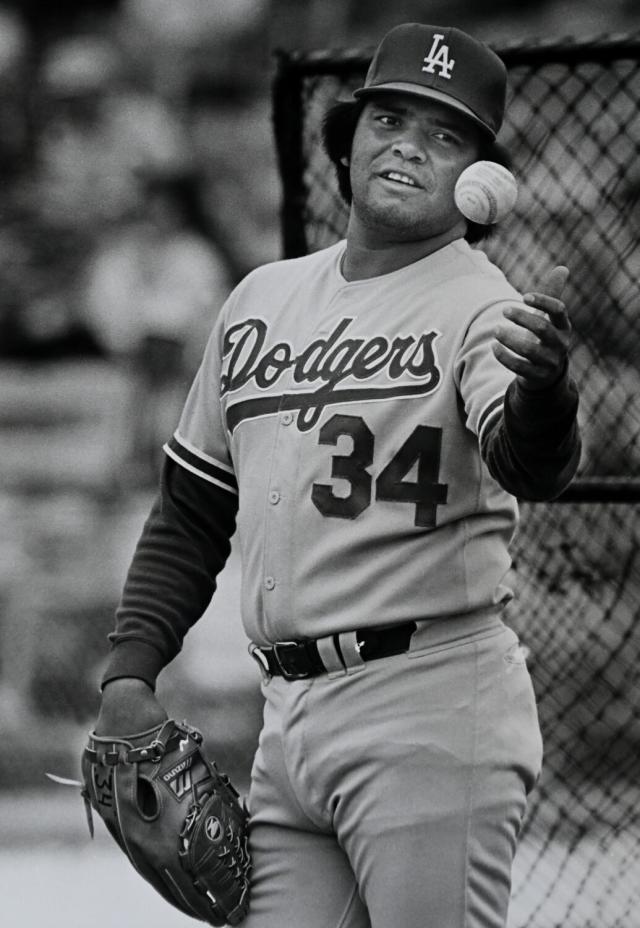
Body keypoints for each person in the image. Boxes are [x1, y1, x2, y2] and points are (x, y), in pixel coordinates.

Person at [93, 23, 581, 928]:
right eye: (389, 118)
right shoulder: (260, 301)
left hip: (434, 704)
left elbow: (527, 459)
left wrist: (545, 394)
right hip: (292, 721)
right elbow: (192, 510)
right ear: (348, 146)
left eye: (446, 135)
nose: (408, 145)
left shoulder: (482, 307)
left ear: (480, 181)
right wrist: (131, 672)